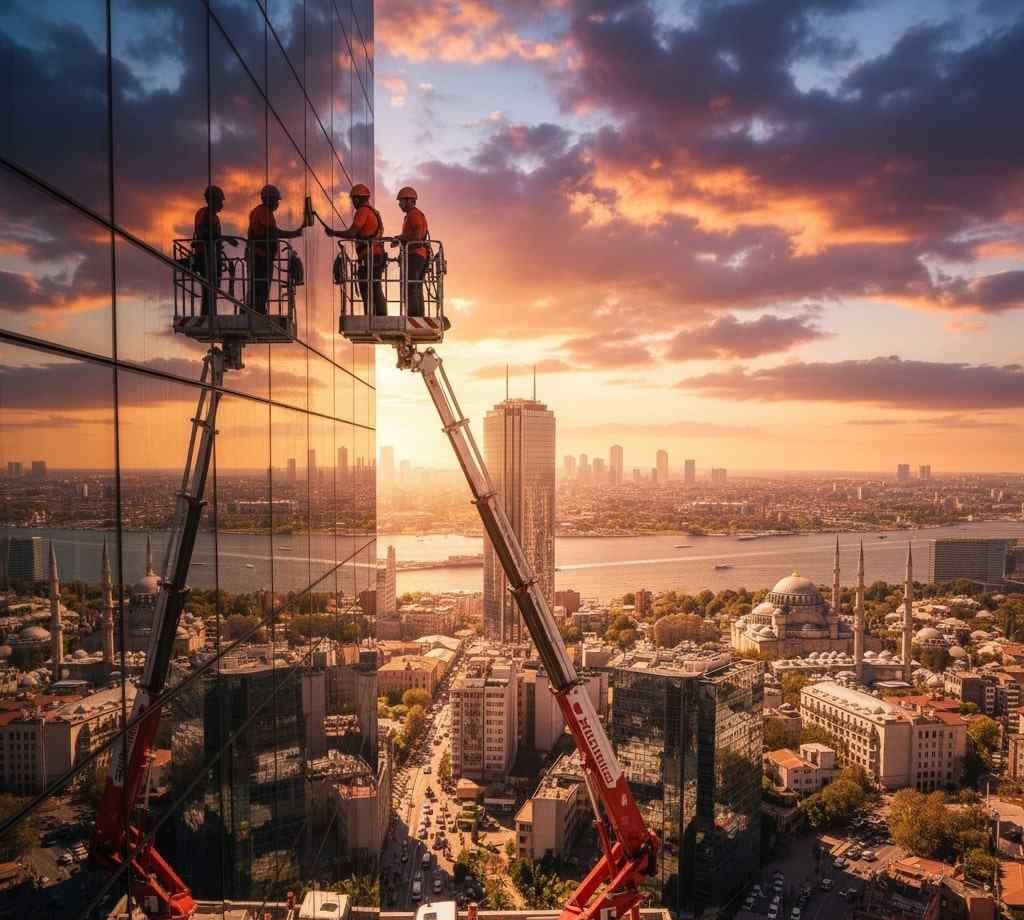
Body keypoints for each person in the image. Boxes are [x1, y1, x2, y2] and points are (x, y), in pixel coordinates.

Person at [323, 183, 386, 316]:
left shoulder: (362, 211)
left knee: (367, 287)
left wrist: (333, 232)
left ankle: (372, 316)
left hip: (370, 256)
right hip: (376, 256)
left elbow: (352, 232)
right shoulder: (374, 212)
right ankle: (379, 315)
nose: (353, 203)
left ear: (357, 199)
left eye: (353, 200)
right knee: (374, 286)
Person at [247, 184, 307, 314]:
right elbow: (274, 232)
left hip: (262, 256)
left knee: (260, 286)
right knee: (260, 286)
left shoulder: (263, 212)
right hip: (259, 256)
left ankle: (255, 310)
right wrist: (294, 233)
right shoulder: (263, 211)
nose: (277, 203)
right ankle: (257, 312)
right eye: (276, 200)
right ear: (269, 199)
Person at [391, 186, 429, 317]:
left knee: (411, 287)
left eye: (401, 201)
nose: (399, 204)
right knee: (416, 287)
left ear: (409, 201)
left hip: (415, 255)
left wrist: (399, 238)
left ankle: (414, 316)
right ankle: (418, 316)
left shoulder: (414, 215)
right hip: (418, 255)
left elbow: (417, 235)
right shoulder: (414, 215)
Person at [192, 185, 226, 317]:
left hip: (213, 256)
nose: (221, 204)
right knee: (209, 286)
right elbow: (201, 233)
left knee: (213, 287)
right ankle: (207, 314)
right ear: (212, 200)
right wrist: (222, 239)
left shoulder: (214, 216)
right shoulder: (204, 213)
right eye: (220, 201)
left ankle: (210, 312)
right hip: (205, 255)